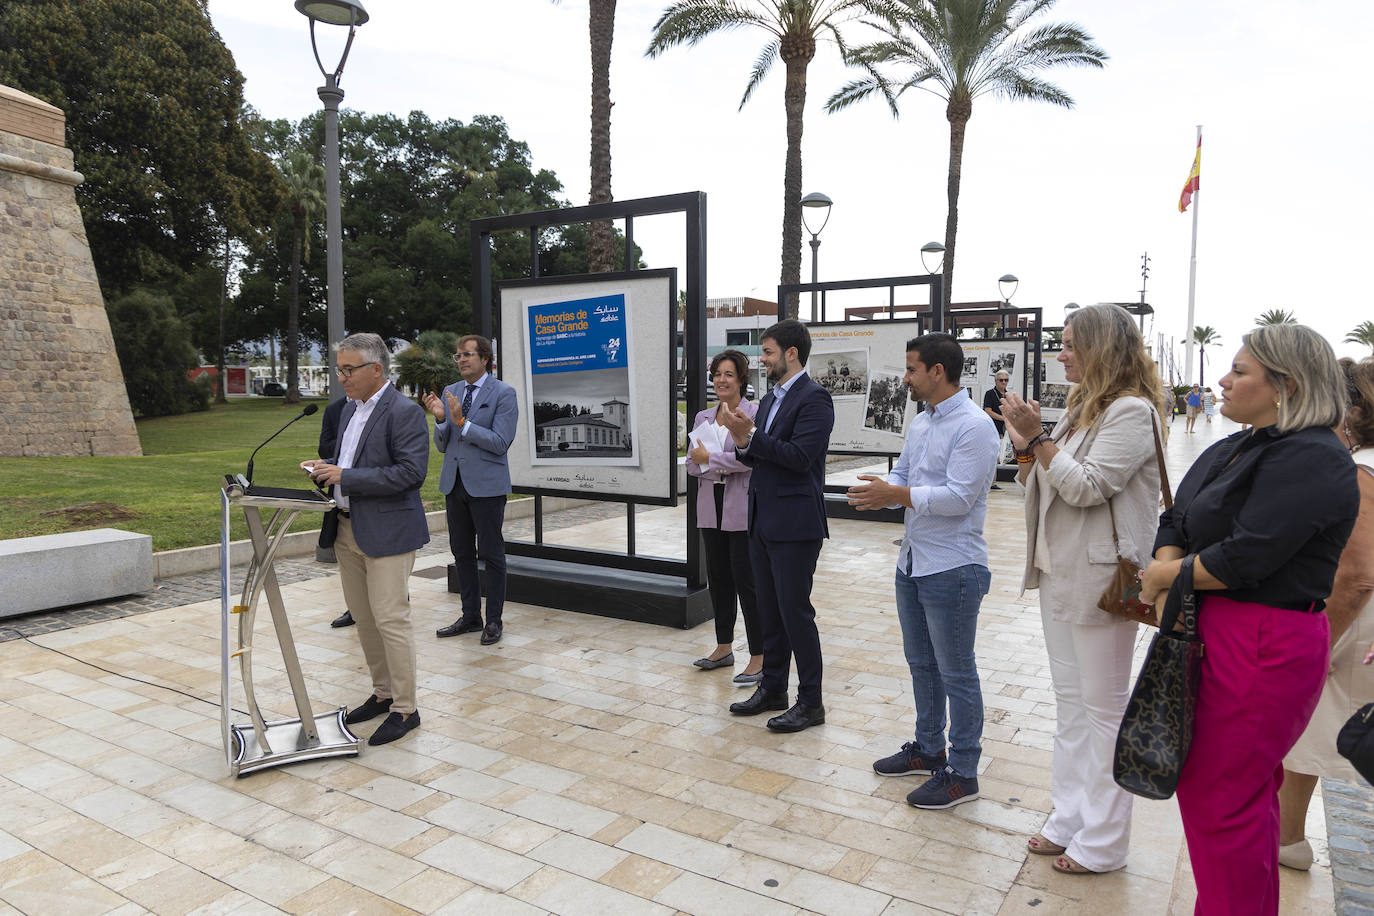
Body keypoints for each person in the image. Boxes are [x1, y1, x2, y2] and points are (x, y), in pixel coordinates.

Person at [1141, 324, 1358, 914]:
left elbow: (1249, 554)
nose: (1222, 381)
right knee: (1234, 795)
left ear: (1285, 384)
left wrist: (1165, 578)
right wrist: (1169, 565)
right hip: (1218, 630)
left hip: (1264, 641)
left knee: (1222, 797)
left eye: (1239, 372)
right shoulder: (1239, 444)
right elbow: (1177, 518)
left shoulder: (1314, 457)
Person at [1002, 303, 1166, 875]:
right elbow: (1034, 477)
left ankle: (1104, 839)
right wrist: (1025, 443)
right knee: (1071, 707)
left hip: (1102, 581)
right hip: (1058, 572)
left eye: (1070, 344)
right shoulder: (1080, 410)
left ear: (1100, 348)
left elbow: (1088, 488)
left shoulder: (1131, 412)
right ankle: (1068, 818)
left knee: (1103, 711)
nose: (1061, 352)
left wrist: (1038, 438)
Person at [848, 333, 999, 809]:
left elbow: (959, 499)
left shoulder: (975, 427)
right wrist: (885, 487)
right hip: (913, 561)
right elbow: (904, 473)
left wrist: (898, 496)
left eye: (912, 369)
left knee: (956, 673)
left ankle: (964, 771)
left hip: (953, 566)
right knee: (922, 665)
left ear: (938, 371)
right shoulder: (921, 422)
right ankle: (929, 748)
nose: (906, 378)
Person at [306, 333, 431, 746]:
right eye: (338, 369)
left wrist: (346, 476)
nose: (341, 377)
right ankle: (383, 693)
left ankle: (405, 709)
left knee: (391, 619)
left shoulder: (404, 412)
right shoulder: (346, 411)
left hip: (389, 532)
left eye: (348, 369)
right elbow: (352, 463)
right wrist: (326, 467)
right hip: (346, 528)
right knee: (363, 618)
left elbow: (411, 474)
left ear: (376, 369)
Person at [1278, 357, 1374, 870]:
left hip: (1358, 623)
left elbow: (1358, 574)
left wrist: (1322, 640)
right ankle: (1288, 838)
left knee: (1313, 726)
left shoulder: (1362, 469)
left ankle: (1288, 837)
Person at [717, 318, 835, 733]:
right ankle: (772, 689)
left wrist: (751, 437)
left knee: (794, 613)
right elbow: (756, 456)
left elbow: (800, 458)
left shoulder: (816, 399)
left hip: (795, 525)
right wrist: (742, 439)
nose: (761, 359)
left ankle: (811, 701)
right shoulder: (768, 401)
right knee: (769, 611)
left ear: (790, 353)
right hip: (761, 521)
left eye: (766, 352)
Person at [424, 335, 518, 646]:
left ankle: (493, 620)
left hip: (487, 488)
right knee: (461, 553)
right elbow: (443, 445)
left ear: (484, 358)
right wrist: (440, 419)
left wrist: (461, 421)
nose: (461, 360)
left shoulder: (504, 393)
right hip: (455, 484)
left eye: (467, 354)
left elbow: (500, 443)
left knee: (491, 554)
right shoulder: (452, 390)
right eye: (458, 356)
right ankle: (469, 616)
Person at [686, 349, 763, 682]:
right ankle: (723, 647)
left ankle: (759, 656)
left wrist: (711, 460)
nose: (721, 380)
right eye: (717, 374)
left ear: (741, 379)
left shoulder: (753, 413)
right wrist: (715, 463)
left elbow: (750, 459)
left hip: (740, 508)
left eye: (728, 374)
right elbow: (691, 464)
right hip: (709, 508)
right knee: (718, 579)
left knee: (747, 582)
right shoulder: (703, 417)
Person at [318, 396, 354, 628]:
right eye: (341, 371)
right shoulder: (335, 410)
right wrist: (346, 445)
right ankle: (355, 608)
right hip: (341, 505)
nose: (344, 377)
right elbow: (323, 447)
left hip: (374, 508)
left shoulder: (396, 407)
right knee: (351, 570)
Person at [983, 370, 1010, 490]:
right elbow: (987, 411)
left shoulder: (1007, 395)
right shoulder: (990, 393)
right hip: (991, 429)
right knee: (992, 456)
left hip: (1003, 430)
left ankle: (991, 482)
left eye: (1006, 380)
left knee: (999, 456)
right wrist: (1003, 418)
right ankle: (990, 482)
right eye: (1001, 380)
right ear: (996, 381)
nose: (1004, 382)